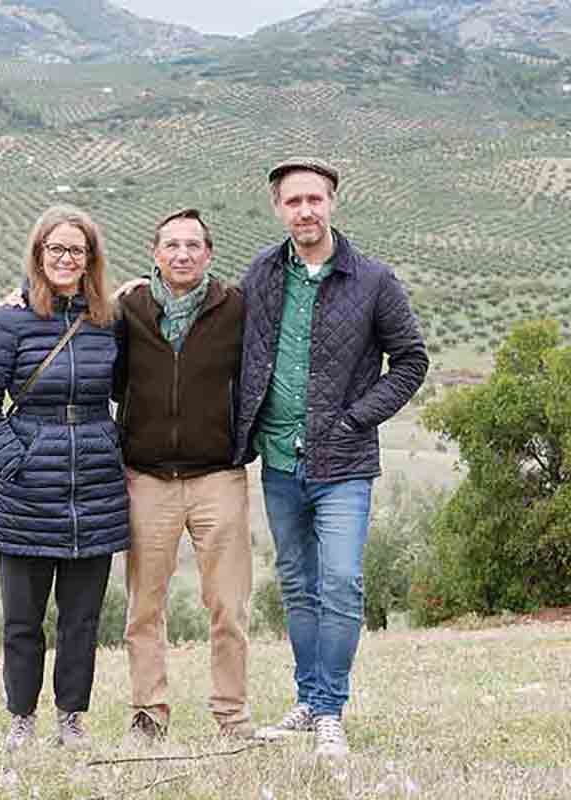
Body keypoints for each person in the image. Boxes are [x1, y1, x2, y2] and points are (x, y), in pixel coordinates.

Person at [235, 159, 429, 758]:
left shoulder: (372, 279)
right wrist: (136, 291)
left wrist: (354, 418)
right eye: (293, 201)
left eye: (315, 199)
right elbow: (215, 320)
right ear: (278, 209)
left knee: (341, 583)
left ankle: (330, 711)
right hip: (279, 460)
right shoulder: (262, 273)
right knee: (297, 585)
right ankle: (308, 699)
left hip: (343, 461)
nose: (305, 211)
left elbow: (412, 360)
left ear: (333, 203)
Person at [0, 205, 129, 754]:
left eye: (76, 250)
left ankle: (72, 719)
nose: (65, 258)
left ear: (90, 260)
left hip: (95, 490)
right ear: (38, 254)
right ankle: (22, 718)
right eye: (55, 248)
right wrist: (17, 459)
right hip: (27, 493)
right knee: (23, 622)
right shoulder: (11, 320)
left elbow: (133, 389)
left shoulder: (109, 320)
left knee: (81, 621)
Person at [116, 208, 252, 741]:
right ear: (155, 253)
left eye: (193, 245)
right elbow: (65, 301)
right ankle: (149, 713)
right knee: (144, 606)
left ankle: (232, 714)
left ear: (210, 254)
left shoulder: (236, 307)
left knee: (228, 604)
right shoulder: (128, 307)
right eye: (171, 245)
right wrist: (15, 295)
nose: (182, 254)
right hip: (146, 480)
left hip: (219, 476)